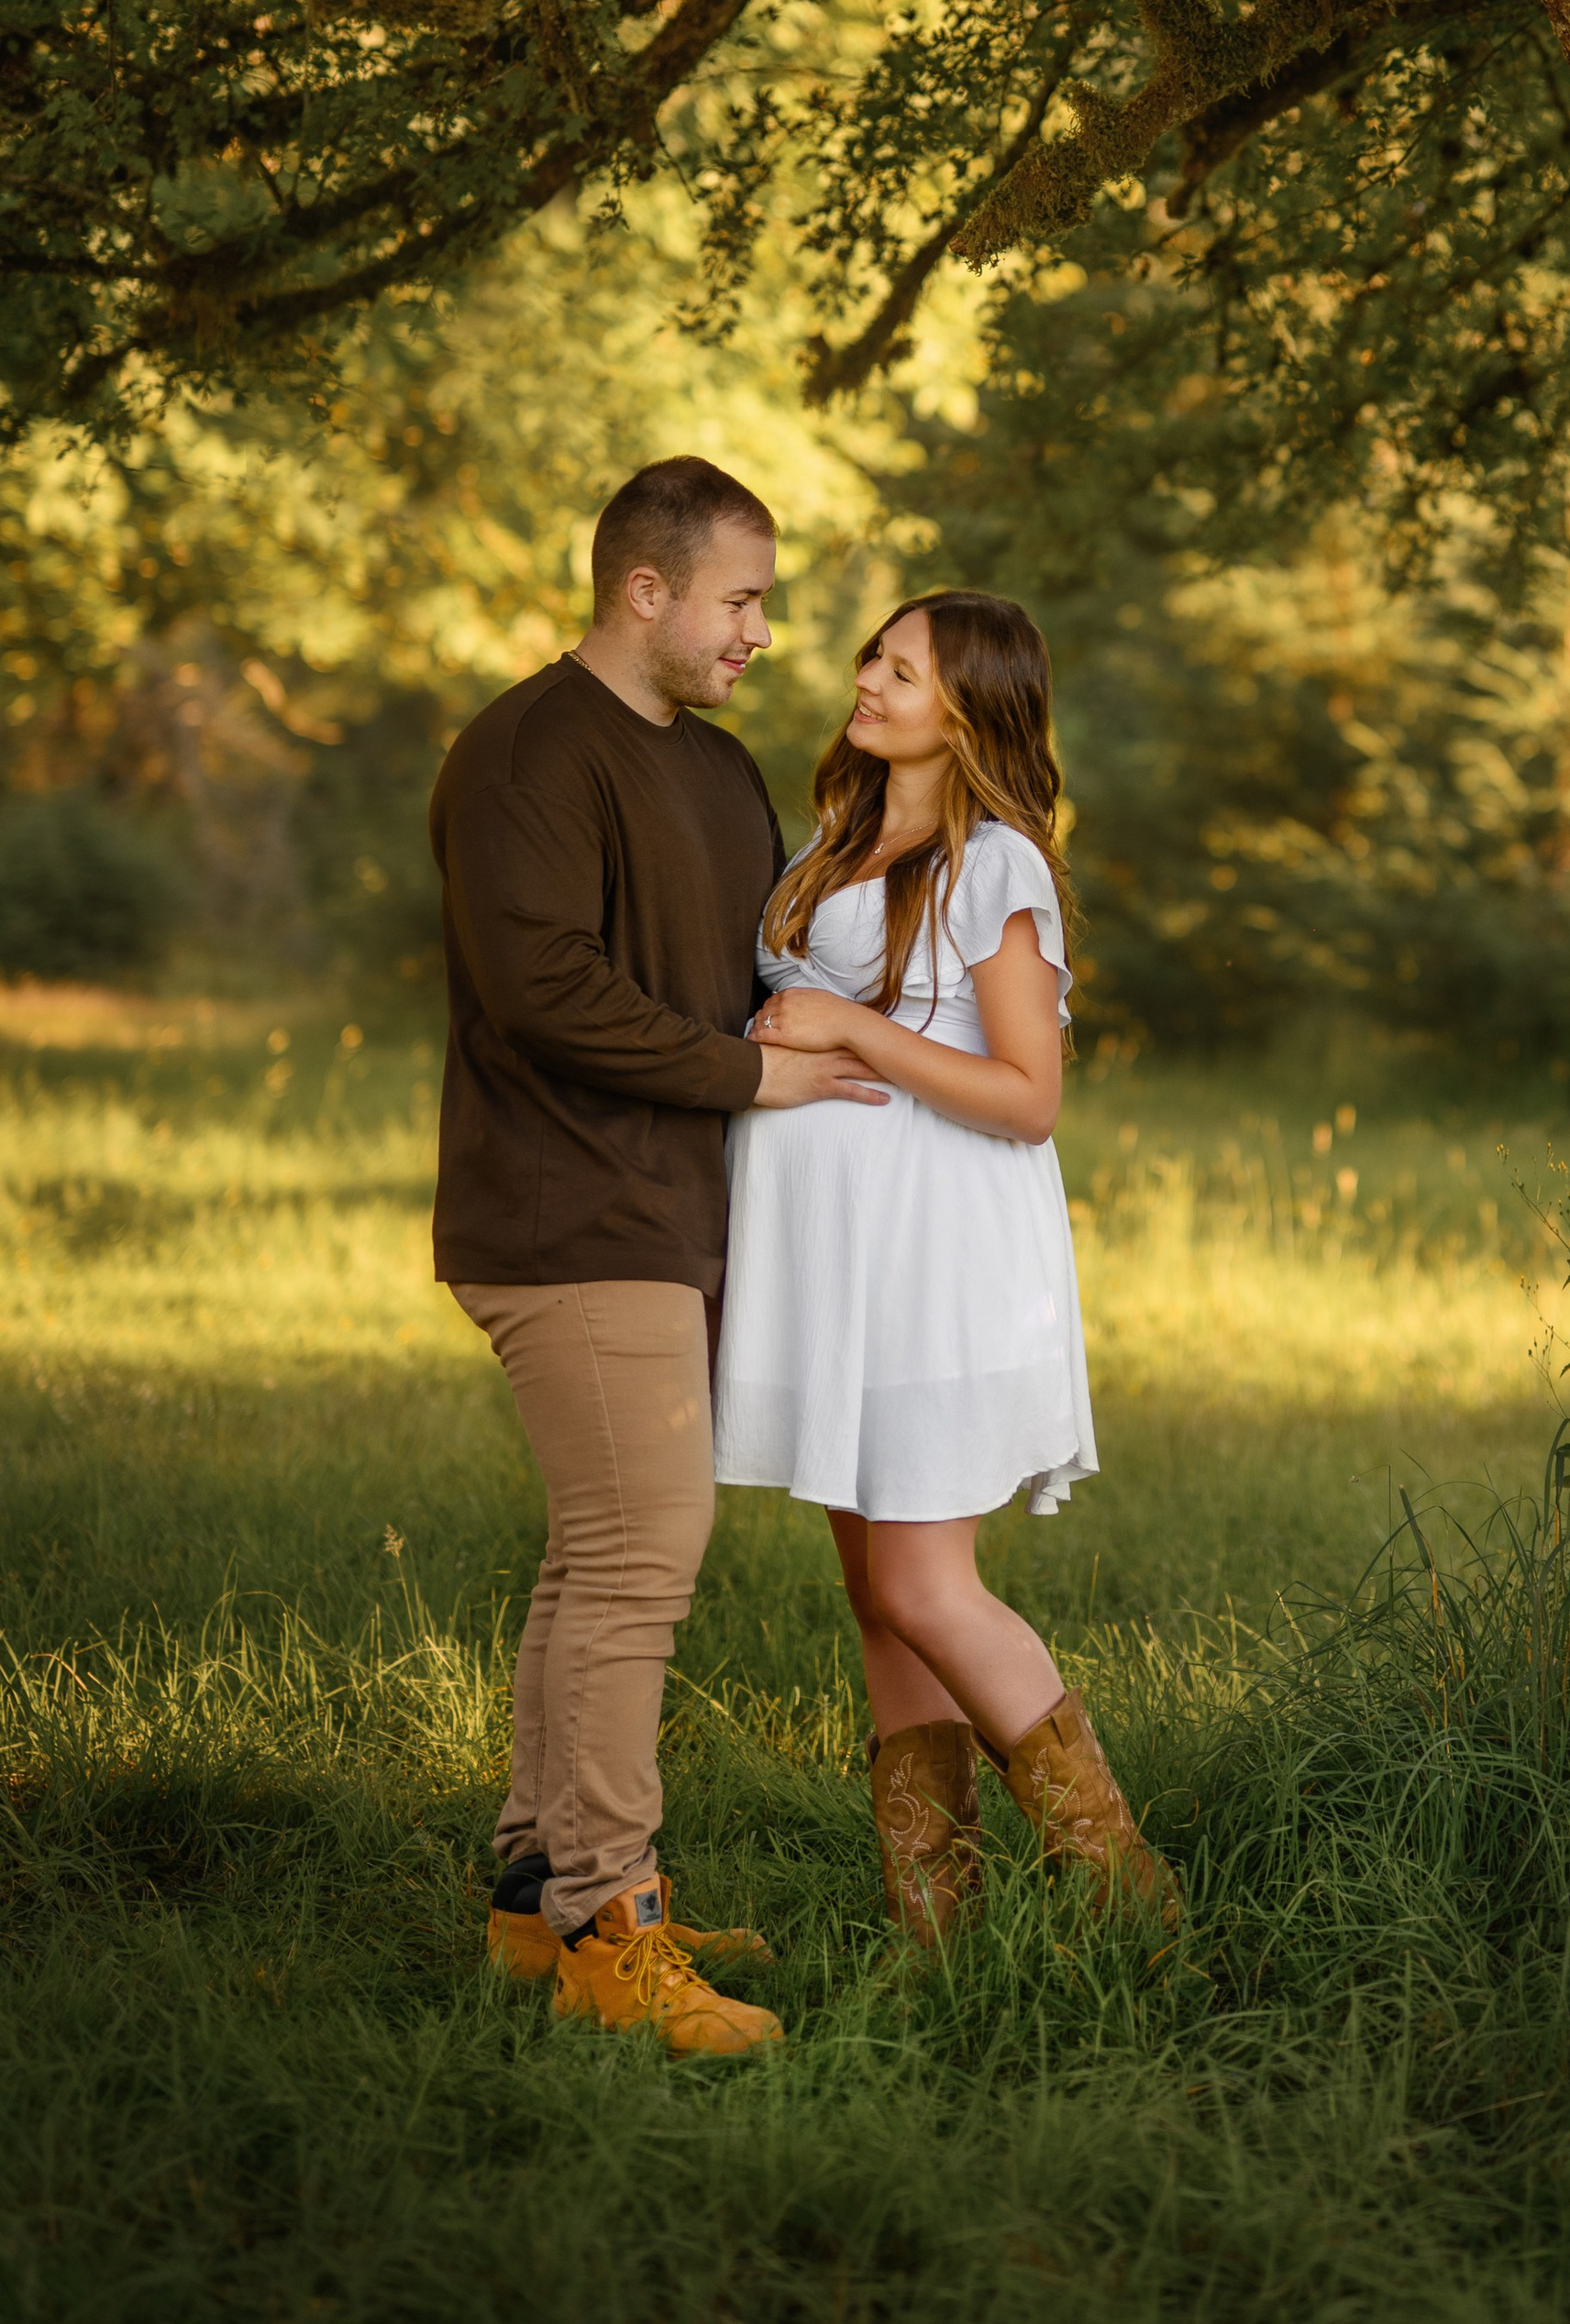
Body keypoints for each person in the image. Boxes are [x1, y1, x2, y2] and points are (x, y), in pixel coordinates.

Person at [430, 453, 887, 2057]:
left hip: (674, 1213)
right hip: (567, 1212)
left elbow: (759, 959)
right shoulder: (524, 756)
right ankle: (615, 1928)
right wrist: (758, 1074)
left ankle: (534, 1901)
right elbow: (546, 991)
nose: (762, 631)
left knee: (592, 1557)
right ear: (647, 590)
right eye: (741, 599)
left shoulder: (718, 766)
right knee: (640, 1562)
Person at [713, 589, 1176, 1948]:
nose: (866, 681)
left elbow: (1028, 1094)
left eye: (901, 670)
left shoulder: (996, 864)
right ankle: (940, 1929)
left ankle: (1126, 1896)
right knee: (875, 1594)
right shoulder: (845, 835)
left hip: (934, 1259)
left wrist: (850, 1033)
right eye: (872, 657)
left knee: (924, 1583)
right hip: (837, 1270)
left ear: (969, 707)